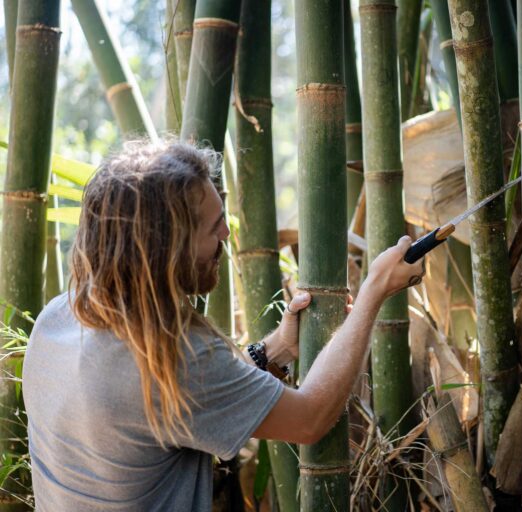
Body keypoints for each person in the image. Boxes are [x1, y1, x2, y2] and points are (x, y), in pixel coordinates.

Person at [22, 141, 424, 511]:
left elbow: (184, 406)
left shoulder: (57, 319)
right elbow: (310, 418)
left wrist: (277, 349)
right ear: (169, 245)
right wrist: (374, 291)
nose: (226, 234)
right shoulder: (168, 359)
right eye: (213, 227)